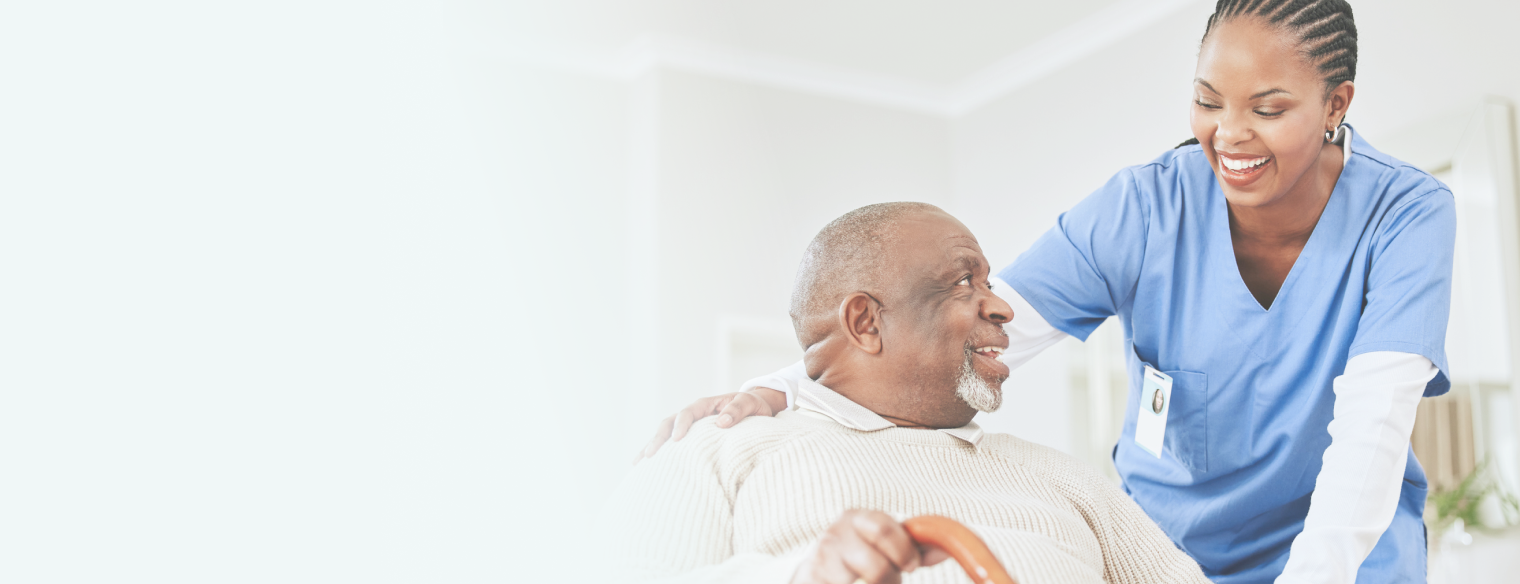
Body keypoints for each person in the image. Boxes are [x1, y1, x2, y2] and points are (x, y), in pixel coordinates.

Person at [640, 2, 1452, 583]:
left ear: (1336, 104)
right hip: (1175, 535)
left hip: (1343, 551)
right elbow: (985, 331)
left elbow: (1372, 431)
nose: (1229, 135)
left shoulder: (1405, 215)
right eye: (1207, 103)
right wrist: (767, 391)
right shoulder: (1147, 208)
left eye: (1267, 109)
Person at [603, 203, 1209, 584]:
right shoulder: (717, 449)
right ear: (866, 323)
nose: (1001, 306)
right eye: (963, 283)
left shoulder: (1066, 480)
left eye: (990, 282)